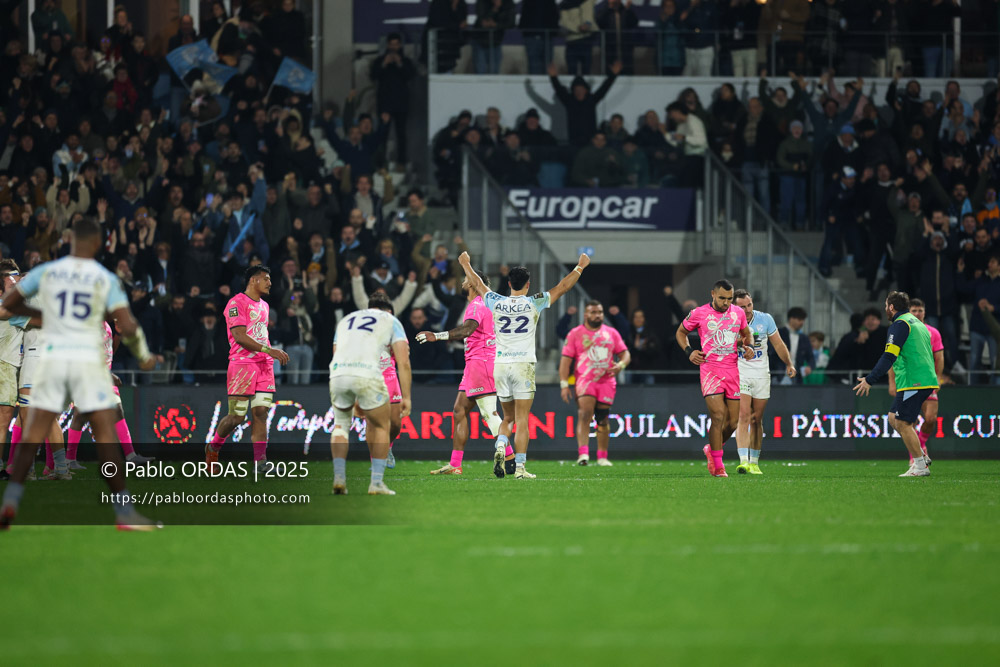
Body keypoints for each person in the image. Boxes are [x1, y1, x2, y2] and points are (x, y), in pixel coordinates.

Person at [0, 218, 158, 530]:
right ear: (96, 244)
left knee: (33, 430)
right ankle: (124, 512)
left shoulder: (46, 272)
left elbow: (11, 303)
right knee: (105, 435)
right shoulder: (102, 278)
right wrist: (143, 355)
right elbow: (126, 325)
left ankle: (9, 505)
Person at [458, 251, 591, 479]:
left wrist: (465, 264)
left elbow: (478, 285)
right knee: (521, 419)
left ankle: (501, 445)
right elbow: (563, 287)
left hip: (499, 365)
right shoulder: (533, 302)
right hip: (523, 365)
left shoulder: (495, 301)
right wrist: (580, 267)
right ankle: (520, 469)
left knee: (506, 418)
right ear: (528, 285)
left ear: (508, 284)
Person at [419, 268, 509, 476]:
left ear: (472, 283)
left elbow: (466, 330)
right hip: (474, 363)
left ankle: (510, 457)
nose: (462, 281)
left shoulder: (477, 304)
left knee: (489, 414)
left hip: (482, 362)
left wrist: (436, 336)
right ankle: (455, 464)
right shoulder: (481, 304)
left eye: (466, 278)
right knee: (459, 410)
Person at [205, 265, 290, 474]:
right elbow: (240, 336)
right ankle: (213, 447)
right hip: (242, 365)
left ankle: (260, 462)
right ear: (253, 280)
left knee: (261, 412)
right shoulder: (236, 303)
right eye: (267, 279)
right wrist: (268, 350)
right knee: (237, 417)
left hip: (264, 366)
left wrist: (267, 354)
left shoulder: (265, 306)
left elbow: (259, 334)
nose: (270, 283)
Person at [329, 292, 412, 496]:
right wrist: (407, 396)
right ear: (386, 311)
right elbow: (404, 361)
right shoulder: (390, 321)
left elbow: (336, 351)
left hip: (339, 373)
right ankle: (376, 483)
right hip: (369, 374)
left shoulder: (348, 320)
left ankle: (339, 478)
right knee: (380, 425)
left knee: (341, 425)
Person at [854, 291, 939, 477]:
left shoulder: (900, 324)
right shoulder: (918, 324)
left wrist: (870, 379)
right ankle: (921, 456)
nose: (885, 309)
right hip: (920, 379)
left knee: (902, 422)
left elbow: (889, 356)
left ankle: (920, 465)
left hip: (913, 381)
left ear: (891, 307)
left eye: (886, 306)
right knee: (893, 418)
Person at [675, 279, 754, 478]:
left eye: (729, 299)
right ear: (712, 294)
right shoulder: (699, 313)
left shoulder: (738, 313)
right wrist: (689, 351)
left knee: (733, 423)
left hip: (732, 371)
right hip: (710, 370)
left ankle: (711, 450)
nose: (726, 303)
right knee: (718, 416)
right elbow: (681, 332)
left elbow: (746, 334)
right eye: (722, 298)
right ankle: (718, 466)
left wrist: (749, 346)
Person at [559, 300, 630, 467]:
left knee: (603, 419)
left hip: (606, 381)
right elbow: (565, 361)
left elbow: (625, 354)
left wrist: (621, 365)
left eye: (599, 312)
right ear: (585, 315)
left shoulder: (611, 333)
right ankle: (583, 454)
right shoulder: (575, 334)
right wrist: (564, 385)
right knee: (585, 413)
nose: (597, 315)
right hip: (585, 381)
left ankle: (602, 456)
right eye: (593, 312)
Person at [732, 289, 796, 475]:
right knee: (743, 416)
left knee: (756, 419)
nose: (747, 309)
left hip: (761, 374)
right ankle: (743, 460)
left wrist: (789, 364)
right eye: (742, 307)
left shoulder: (765, 319)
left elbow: (778, 344)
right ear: (736, 307)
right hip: (741, 372)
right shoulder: (730, 321)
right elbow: (724, 344)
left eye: (749, 305)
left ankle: (754, 462)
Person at [888, 299, 944, 466]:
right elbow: (893, 357)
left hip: (925, 380)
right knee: (900, 420)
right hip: (909, 382)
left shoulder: (932, 332)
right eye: (914, 310)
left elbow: (939, 357)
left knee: (930, 418)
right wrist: (892, 382)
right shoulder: (902, 329)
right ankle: (918, 455)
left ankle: (919, 452)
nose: (917, 313)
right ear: (908, 311)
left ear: (925, 312)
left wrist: (938, 378)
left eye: (920, 310)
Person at [0, 260, 27, 481]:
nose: (14, 280)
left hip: (6, 364)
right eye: (10, 278)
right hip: (4, 365)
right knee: (3, 418)